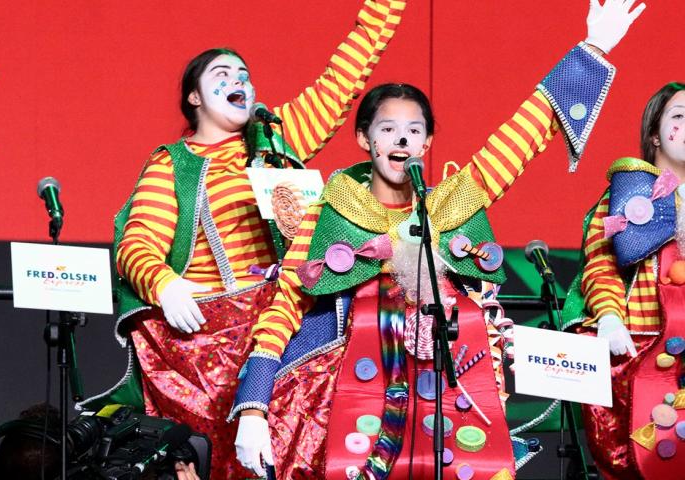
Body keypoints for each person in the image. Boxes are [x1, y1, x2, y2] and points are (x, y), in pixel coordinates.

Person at [229, 0, 645, 478]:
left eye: (414, 131)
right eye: (388, 129)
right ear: (365, 139)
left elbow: (521, 134)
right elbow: (286, 305)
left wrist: (591, 50)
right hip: (347, 396)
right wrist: (255, 406)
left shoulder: (450, 202)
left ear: (426, 144)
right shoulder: (333, 209)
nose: (401, 141)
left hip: (448, 391)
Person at [79, 1, 408, 478]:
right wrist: (164, 284)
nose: (237, 79)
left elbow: (345, 75)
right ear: (194, 97)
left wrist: (386, 6)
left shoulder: (277, 138)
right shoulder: (174, 163)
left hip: (282, 321)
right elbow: (137, 244)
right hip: (204, 340)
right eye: (221, 73)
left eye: (244, 73)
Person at [561, 81, 685, 479]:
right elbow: (601, 264)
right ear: (654, 134)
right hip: (634, 354)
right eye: (679, 116)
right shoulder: (628, 194)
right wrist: (610, 317)